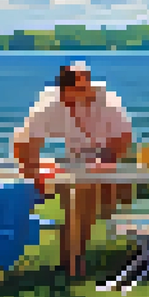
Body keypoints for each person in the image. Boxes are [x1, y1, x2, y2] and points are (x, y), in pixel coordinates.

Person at [14, 62, 133, 278]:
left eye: (82, 88)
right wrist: (32, 170)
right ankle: (72, 260)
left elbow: (124, 138)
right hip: (75, 163)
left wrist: (104, 161)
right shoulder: (51, 102)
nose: (76, 97)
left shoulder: (106, 100)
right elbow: (26, 139)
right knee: (78, 198)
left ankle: (72, 259)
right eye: (72, 92)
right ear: (63, 90)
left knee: (85, 199)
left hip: (106, 158)